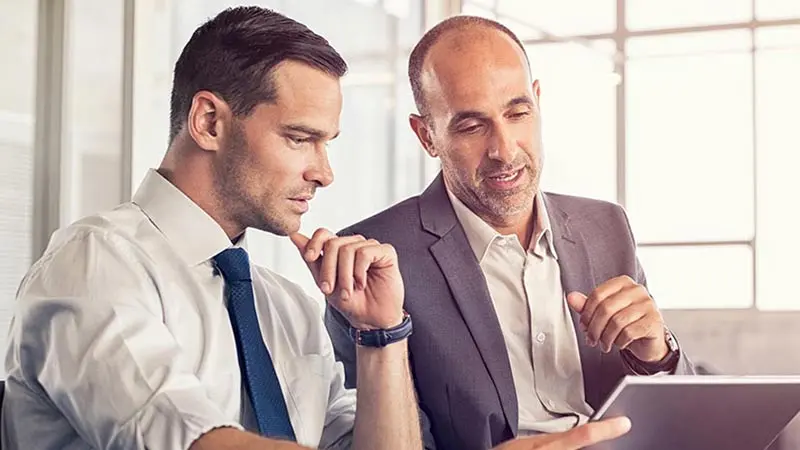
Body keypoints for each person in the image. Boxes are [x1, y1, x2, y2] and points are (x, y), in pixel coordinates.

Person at [1, 7, 422, 450]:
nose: (324, 173)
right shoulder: (93, 265)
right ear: (208, 122)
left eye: (326, 144)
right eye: (300, 139)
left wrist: (381, 334)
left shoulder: (289, 308)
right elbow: (186, 441)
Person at [324, 15, 696, 450]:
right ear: (427, 136)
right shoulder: (373, 260)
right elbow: (374, 439)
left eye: (517, 113)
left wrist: (657, 352)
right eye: (471, 126)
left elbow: (682, 421)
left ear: (537, 102)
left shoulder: (606, 226)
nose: (504, 149)